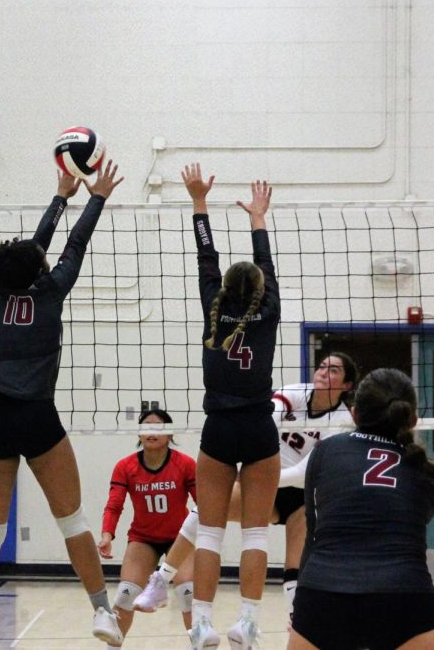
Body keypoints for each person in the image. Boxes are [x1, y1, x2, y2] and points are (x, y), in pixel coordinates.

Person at [0, 161, 123, 650]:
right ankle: (102, 613)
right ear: (37, 269)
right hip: (37, 416)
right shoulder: (52, 292)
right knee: (71, 519)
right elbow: (71, 247)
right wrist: (93, 197)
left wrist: (60, 194)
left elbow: (36, 249)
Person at [134, 353, 357, 623]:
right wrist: (253, 472)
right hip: (267, 482)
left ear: (347, 385)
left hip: (302, 493)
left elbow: (303, 473)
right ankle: (160, 581)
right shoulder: (294, 394)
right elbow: (263, 428)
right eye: (322, 366)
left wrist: (257, 478)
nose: (323, 372)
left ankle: (297, 618)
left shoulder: (343, 421)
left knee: (296, 562)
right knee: (205, 510)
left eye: (333, 370)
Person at [287, 368, 434, 650]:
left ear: (354, 414)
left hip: (321, 595)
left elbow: (313, 538)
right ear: (412, 419)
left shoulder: (326, 451)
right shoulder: (427, 472)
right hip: (402, 596)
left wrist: (301, 610)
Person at [179, 163, 281, 650]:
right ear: (261, 289)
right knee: (256, 534)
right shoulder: (270, 311)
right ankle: (248, 623)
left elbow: (206, 256)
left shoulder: (212, 308)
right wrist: (258, 217)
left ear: (224, 291)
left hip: (218, 430)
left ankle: (201, 625)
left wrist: (199, 202)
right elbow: (264, 265)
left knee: (210, 535)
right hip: (259, 428)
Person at [97, 408, 197, 648]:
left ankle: (200, 644)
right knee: (126, 594)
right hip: (144, 538)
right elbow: (114, 505)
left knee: (188, 594)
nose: (151, 431)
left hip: (179, 539)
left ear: (169, 433)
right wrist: (106, 535)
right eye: (146, 426)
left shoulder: (185, 464)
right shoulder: (125, 467)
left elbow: (203, 505)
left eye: (158, 426)